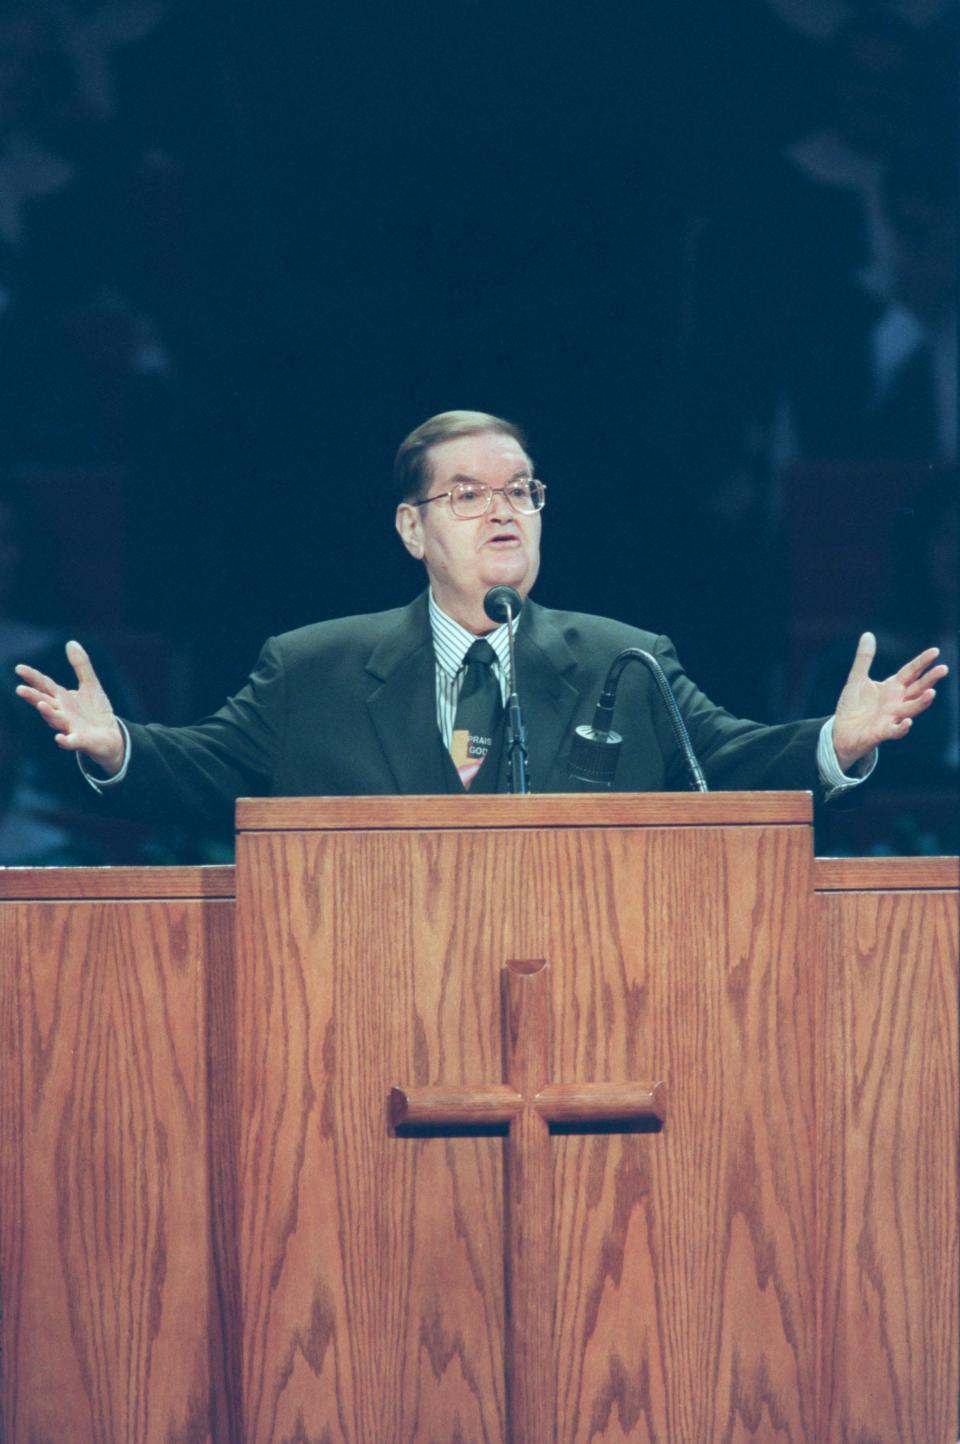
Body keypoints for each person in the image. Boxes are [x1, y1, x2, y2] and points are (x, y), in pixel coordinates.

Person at [13, 410, 946, 830]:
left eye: (521, 492)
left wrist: (837, 740)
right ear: (411, 528)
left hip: (583, 999)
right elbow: (206, 773)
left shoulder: (627, 661)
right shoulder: (313, 669)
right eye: (468, 495)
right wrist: (116, 745)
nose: (504, 511)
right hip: (365, 1004)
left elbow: (732, 767)